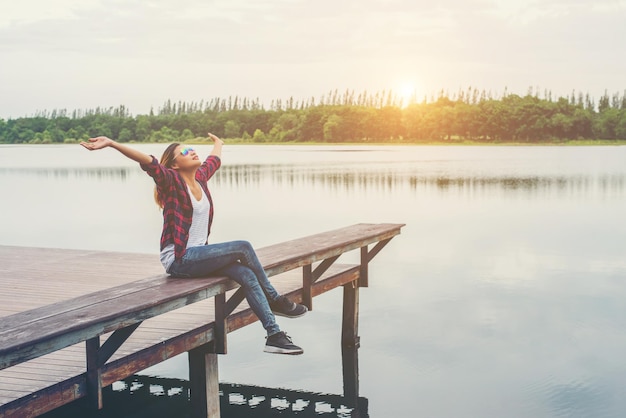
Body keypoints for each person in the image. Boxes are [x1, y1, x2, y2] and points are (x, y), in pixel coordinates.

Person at [81, 133, 307, 355]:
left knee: (246, 274)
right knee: (243, 246)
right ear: (175, 164)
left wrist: (218, 143)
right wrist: (111, 144)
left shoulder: (200, 179)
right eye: (185, 152)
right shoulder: (171, 182)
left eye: (192, 149)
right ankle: (275, 299)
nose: (192, 152)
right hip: (179, 259)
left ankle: (274, 335)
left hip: (198, 257)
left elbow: (214, 161)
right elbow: (148, 162)